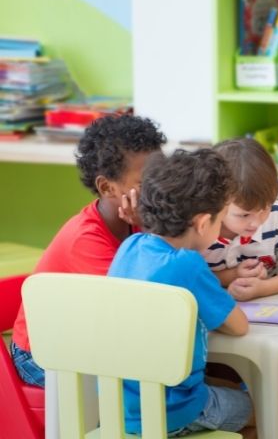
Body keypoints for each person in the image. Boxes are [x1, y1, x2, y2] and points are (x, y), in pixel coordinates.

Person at [11, 114, 166, 387]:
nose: (160, 190)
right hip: (39, 356)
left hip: (86, 339)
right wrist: (151, 229)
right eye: (145, 184)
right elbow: (145, 304)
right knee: (149, 381)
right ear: (107, 187)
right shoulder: (86, 239)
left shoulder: (136, 222)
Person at [108, 149, 253, 437]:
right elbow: (239, 326)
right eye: (220, 219)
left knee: (225, 388)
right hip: (174, 411)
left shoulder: (132, 245)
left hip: (121, 408)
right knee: (261, 409)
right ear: (202, 223)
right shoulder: (187, 264)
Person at [203, 138, 278, 300]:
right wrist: (232, 275)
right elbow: (185, 278)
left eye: (265, 208)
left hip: (271, 305)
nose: (257, 223)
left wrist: (263, 288)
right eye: (244, 215)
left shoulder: (277, 215)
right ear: (216, 202)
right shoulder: (200, 226)